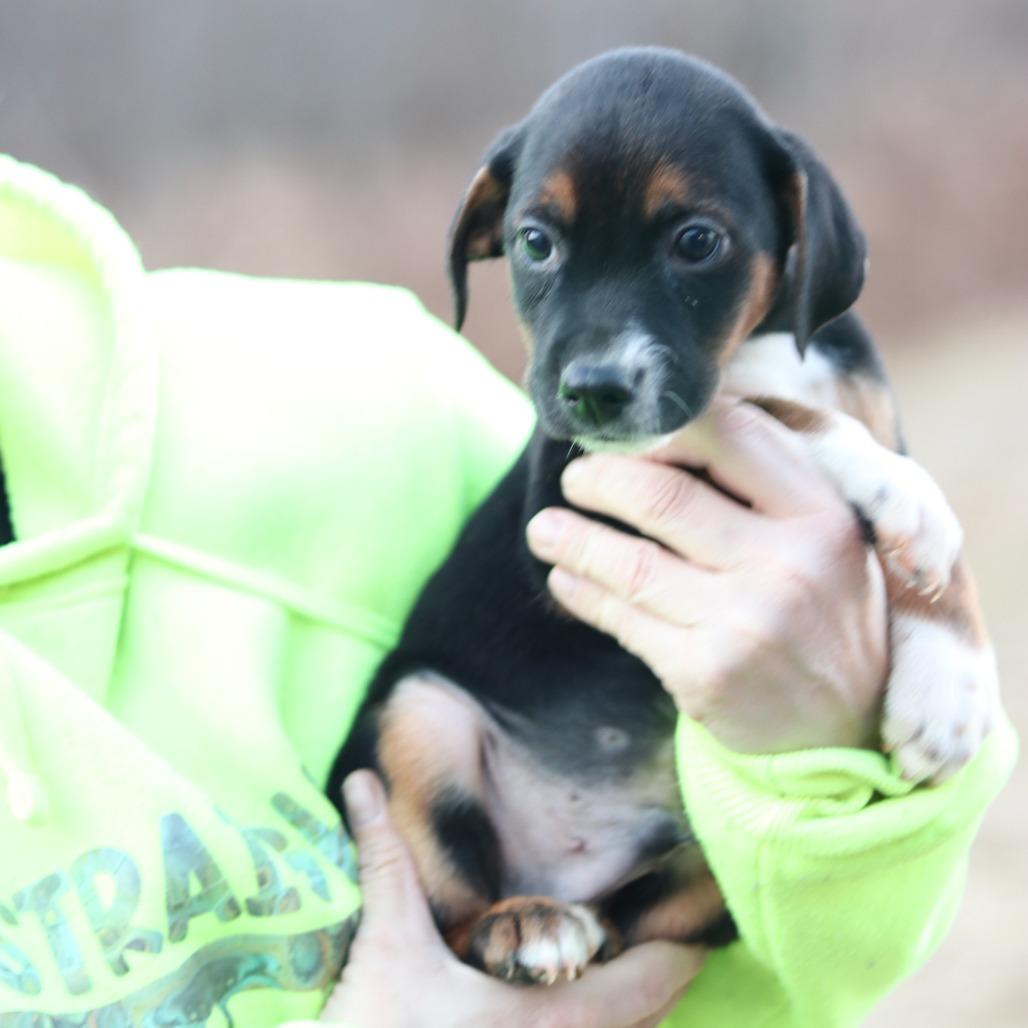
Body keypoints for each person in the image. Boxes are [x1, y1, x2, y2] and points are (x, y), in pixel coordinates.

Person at [0, 154, 1014, 1028]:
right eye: (541, 246)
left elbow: (848, 944)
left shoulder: (373, 389)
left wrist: (824, 753)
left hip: (630, 848)